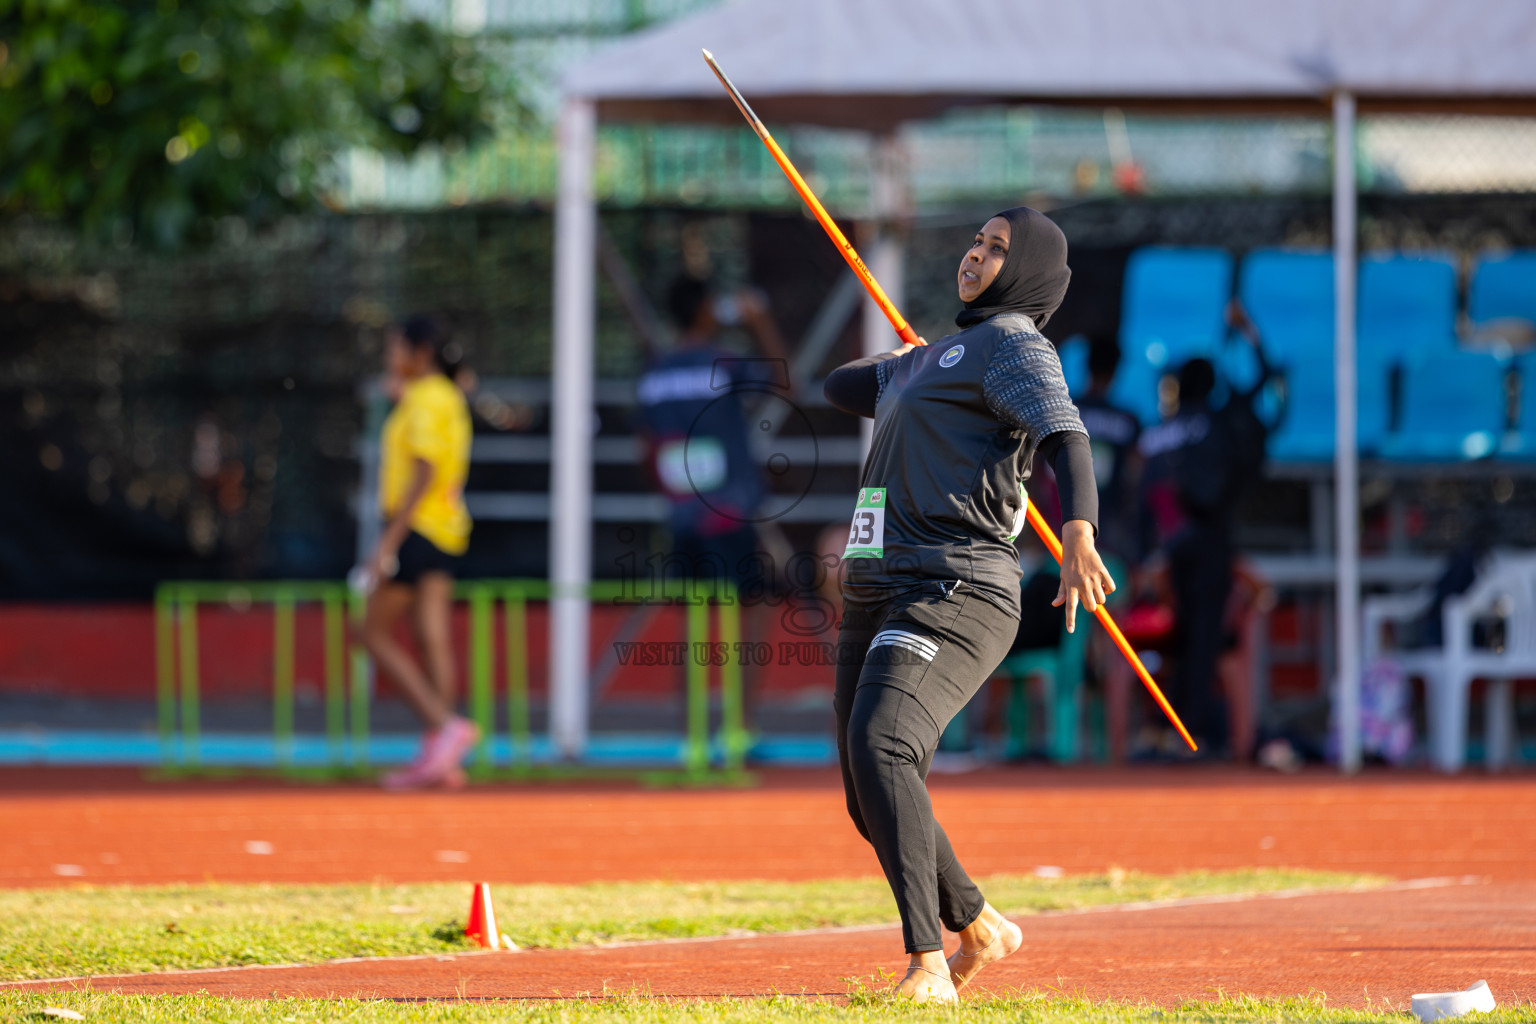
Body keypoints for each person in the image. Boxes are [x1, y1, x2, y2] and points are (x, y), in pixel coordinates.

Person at [822, 207, 1111, 1003]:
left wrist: (1080, 526)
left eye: (997, 250)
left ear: (1029, 275)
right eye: (977, 243)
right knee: (863, 784)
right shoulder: (930, 361)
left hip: (955, 582)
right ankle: (979, 925)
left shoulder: (1013, 342)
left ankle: (927, 966)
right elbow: (839, 386)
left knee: (883, 745)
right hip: (877, 583)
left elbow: (1065, 435)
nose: (976, 256)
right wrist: (913, 361)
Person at [1136, 304, 1273, 757]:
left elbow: (1140, 495)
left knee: (1182, 638)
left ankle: (1165, 728)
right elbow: (1262, 386)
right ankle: (1188, 732)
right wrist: (1249, 336)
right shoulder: (1218, 422)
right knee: (1203, 637)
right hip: (1210, 543)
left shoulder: (1158, 434)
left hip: (1167, 551)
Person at [360, 315, 480, 791]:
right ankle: (442, 755)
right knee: (432, 637)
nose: (390, 359)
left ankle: (444, 726)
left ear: (420, 353)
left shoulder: (427, 399)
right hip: (447, 529)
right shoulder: (441, 395)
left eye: (396, 349)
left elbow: (424, 469)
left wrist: (387, 542)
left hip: (417, 527)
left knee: (371, 632)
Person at [634, 276, 792, 592]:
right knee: (748, 604)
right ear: (707, 309)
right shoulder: (724, 363)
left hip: (681, 513)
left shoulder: (654, 372)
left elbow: (644, 447)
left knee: (691, 610)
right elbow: (786, 383)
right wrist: (760, 323)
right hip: (729, 511)